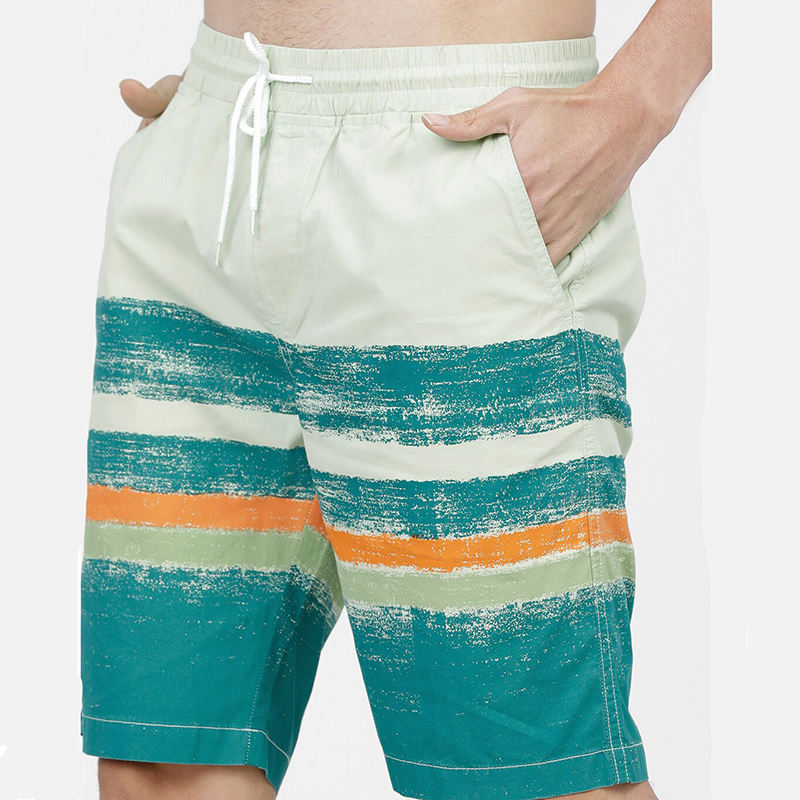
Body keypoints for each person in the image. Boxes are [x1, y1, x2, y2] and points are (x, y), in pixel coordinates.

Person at [80, 1, 711, 798]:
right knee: (165, 764)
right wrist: (219, 102)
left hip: (455, 168)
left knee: (532, 776)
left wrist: (638, 99)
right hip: (216, 162)